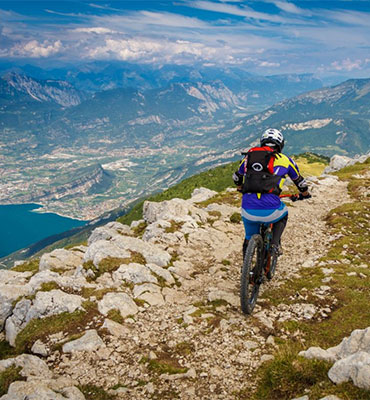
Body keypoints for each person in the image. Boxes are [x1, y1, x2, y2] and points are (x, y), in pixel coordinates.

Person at [232, 128, 311, 261]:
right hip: (271, 210)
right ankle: (275, 245)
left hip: (248, 209)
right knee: (284, 213)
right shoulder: (286, 160)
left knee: (249, 236)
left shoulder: (248, 158)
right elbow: (301, 183)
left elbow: (236, 177)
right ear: (280, 145)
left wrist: (240, 188)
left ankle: (245, 267)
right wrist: (304, 194)